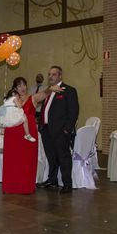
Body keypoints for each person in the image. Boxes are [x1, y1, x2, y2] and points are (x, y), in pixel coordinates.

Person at [2, 77, 61, 194]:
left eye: (24, 85)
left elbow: (44, 93)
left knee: (27, 160)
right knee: (12, 160)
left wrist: (51, 88)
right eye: (19, 86)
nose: (22, 88)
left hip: (27, 132)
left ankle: (25, 186)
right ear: (15, 88)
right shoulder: (12, 99)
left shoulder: (32, 98)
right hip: (12, 133)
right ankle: (11, 186)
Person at [37, 66, 79, 194]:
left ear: (60, 76)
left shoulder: (69, 90)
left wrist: (67, 129)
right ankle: (52, 180)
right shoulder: (48, 91)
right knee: (51, 157)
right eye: (49, 74)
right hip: (46, 129)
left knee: (63, 157)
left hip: (60, 131)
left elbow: (74, 112)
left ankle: (67, 184)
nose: (50, 77)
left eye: (54, 74)